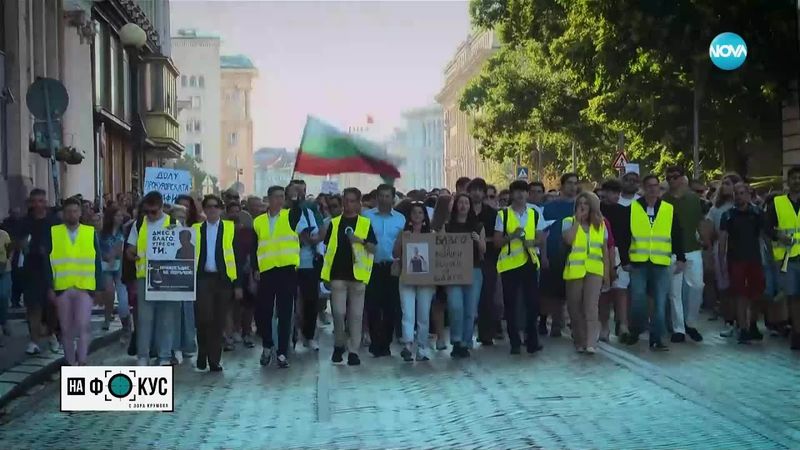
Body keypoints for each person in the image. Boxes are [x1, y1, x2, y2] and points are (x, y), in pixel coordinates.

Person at [619, 174, 686, 351]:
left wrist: (680, 258)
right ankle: (636, 329)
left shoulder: (668, 209)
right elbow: (624, 236)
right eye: (649, 186)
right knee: (639, 299)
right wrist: (624, 260)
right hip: (638, 262)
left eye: (656, 186)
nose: (653, 189)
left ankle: (657, 338)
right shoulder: (633, 208)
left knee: (660, 301)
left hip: (661, 262)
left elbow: (677, 235)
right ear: (643, 188)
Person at [321, 188, 377, 366]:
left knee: (356, 315)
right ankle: (339, 344)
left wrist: (359, 240)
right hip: (337, 273)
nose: (348, 204)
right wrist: (325, 275)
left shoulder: (365, 224)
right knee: (338, 313)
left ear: (358, 203)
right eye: (346, 200)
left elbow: (374, 248)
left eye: (352, 201)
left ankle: (354, 350)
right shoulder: (334, 223)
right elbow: (327, 248)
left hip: (358, 275)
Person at [252, 186, 305, 369]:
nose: (279, 200)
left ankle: (282, 352)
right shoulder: (258, 221)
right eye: (276, 197)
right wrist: (255, 268)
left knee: (285, 313)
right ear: (268, 198)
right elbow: (254, 246)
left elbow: (298, 210)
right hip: (266, 271)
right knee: (264, 312)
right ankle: (267, 345)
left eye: (282, 197)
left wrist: (296, 197)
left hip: (287, 270)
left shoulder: (289, 216)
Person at [45, 197, 102, 366]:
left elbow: (97, 261)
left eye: (75, 211)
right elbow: (46, 262)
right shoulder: (54, 232)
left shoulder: (89, 232)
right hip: (62, 286)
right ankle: (70, 362)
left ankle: (82, 361)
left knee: (83, 325)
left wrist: (98, 287)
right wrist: (50, 286)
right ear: (63, 214)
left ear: (80, 213)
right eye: (69, 211)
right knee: (66, 328)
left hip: (84, 286)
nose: (72, 214)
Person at [126, 191, 180, 366]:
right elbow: (130, 248)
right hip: (144, 277)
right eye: (146, 211)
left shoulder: (173, 224)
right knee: (144, 318)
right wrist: (131, 254)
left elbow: (183, 250)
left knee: (166, 317)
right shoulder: (139, 223)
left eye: (153, 212)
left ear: (162, 207)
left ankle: (164, 355)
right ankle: (143, 355)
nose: (149, 215)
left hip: (167, 276)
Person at [493, 180, 545, 355]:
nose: (521, 195)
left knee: (532, 303)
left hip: (529, 262)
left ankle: (532, 340)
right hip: (510, 265)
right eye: (517, 192)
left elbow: (541, 237)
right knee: (511, 304)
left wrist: (532, 242)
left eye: (524, 192)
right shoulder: (503, 215)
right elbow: (497, 241)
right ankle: (515, 341)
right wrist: (512, 236)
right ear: (512, 194)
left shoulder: (534, 214)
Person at [193, 195, 241, 372]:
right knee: (203, 319)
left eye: (215, 207)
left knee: (218, 321)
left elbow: (237, 257)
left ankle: (214, 359)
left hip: (223, 280)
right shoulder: (195, 229)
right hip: (203, 279)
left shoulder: (230, 228)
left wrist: (238, 285)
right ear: (204, 210)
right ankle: (202, 352)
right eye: (209, 207)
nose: (212, 210)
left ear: (221, 209)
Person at [562, 192, 610, 354]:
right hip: (574, 271)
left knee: (591, 307)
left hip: (594, 270)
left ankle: (591, 343)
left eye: (586, 203)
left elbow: (604, 251)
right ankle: (580, 340)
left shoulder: (601, 224)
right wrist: (577, 220)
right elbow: (568, 240)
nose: (582, 206)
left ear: (593, 206)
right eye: (580, 203)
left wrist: (607, 274)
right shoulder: (568, 222)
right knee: (575, 309)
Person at [663, 166, 705, 343]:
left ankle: (691, 322)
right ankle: (678, 328)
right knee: (674, 292)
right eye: (669, 178)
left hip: (693, 248)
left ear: (682, 178)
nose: (672, 180)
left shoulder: (694, 199)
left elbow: (700, 222)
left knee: (697, 286)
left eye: (675, 177)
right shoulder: (663, 200)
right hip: (671, 251)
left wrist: (704, 238)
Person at [719, 182, 765, 343]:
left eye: (741, 193)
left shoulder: (757, 213)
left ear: (748, 194)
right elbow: (723, 239)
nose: (739, 196)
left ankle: (752, 324)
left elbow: (764, 235)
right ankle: (743, 328)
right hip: (736, 259)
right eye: (736, 193)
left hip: (754, 258)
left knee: (756, 294)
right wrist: (722, 262)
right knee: (740, 295)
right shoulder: (728, 215)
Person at [363, 184, 405, 357]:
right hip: (372, 265)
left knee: (391, 307)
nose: (384, 199)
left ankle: (386, 342)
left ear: (393, 198)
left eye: (387, 196)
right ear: (376, 197)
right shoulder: (366, 216)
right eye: (381, 195)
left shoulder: (401, 219)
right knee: (372, 305)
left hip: (393, 266)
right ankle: (375, 341)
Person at [20, 188, 62, 355]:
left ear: (45, 202)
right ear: (31, 202)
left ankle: (52, 333)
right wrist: (22, 245)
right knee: (33, 306)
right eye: (34, 201)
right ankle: (34, 340)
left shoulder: (53, 222)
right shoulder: (26, 221)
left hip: (50, 267)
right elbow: (18, 241)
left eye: (40, 201)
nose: (37, 205)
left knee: (51, 305)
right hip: (31, 267)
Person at [393, 202, 435, 361]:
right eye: (414, 213)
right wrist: (401, 240)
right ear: (409, 216)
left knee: (424, 314)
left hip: (426, 280)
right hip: (406, 277)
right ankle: (408, 345)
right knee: (407, 312)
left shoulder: (431, 234)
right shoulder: (403, 233)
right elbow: (395, 253)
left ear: (424, 216)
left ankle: (422, 347)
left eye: (420, 213)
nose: (417, 216)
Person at [445, 194, 486, 358]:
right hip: (453, 271)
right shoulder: (447, 226)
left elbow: (484, 250)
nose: (463, 206)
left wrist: (477, 240)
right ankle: (455, 339)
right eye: (460, 203)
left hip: (474, 269)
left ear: (470, 206)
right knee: (455, 306)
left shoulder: (478, 226)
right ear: (455, 206)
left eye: (466, 203)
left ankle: (465, 342)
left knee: (470, 309)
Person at [765, 166, 800, 351]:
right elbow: (767, 228)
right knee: (793, 296)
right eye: (794, 178)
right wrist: (779, 236)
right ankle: (797, 332)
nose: (797, 181)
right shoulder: (777, 203)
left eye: (799, 178)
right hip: (788, 258)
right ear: (788, 181)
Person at [540, 173, 578, 337]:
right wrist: (544, 256)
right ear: (561, 185)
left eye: (575, 183)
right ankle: (555, 322)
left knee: (575, 292)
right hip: (554, 253)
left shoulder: (581, 207)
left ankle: (575, 325)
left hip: (577, 255)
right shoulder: (549, 208)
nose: (572, 186)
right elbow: (543, 233)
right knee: (553, 292)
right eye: (569, 183)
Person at [287, 182, 323, 352]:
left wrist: (315, 239)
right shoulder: (284, 214)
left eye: (302, 191)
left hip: (309, 263)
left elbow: (322, 229)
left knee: (310, 300)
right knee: (289, 302)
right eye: (295, 192)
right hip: (289, 263)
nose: (299, 195)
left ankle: (309, 335)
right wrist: (302, 238)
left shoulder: (310, 212)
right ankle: (290, 335)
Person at [467, 178, 501, 347]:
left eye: (480, 190)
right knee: (467, 298)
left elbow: (496, 237)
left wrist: (482, 240)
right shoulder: (463, 210)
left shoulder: (492, 213)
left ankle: (486, 333)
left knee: (487, 296)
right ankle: (466, 336)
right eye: (474, 189)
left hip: (488, 259)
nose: (477, 193)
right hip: (464, 259)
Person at [705, 173, 740, 332]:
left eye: (729, 183)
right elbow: (709, 231)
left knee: (739, 286)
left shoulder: (742, 205)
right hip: (721, 249)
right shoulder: (716, 208)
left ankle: (743, 320)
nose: (725, 186)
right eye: (723, 183)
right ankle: (729, 320)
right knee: (724, 286)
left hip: (740, 248)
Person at [598, 179, 630, 341]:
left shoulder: (624, 211)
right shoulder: (597, 211)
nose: (616, 196)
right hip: (601, 253)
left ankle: (623, 324)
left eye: (618, 193)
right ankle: (604, 326)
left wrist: (625, 260)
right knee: (604, 293)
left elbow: (626, 237)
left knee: (621, 290)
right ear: (604, 192)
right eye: (612, 192)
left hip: (619, 255)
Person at [99, 206, 130, 335]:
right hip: (106, 267)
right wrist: (105, 256)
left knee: (123, 297)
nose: (120, 218)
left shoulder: (124, 232)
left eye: (121, 216)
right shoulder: (102, 233)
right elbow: (97, 248)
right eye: (117, 215)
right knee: (109, 294)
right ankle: (107, 318)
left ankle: (126, 324)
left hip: (119, 266)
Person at [0, 226, 11, 344]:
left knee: (2, 296)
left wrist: (8, 262)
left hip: (3, 270)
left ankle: (4, 322)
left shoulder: (4, 235)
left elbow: (10, 251)